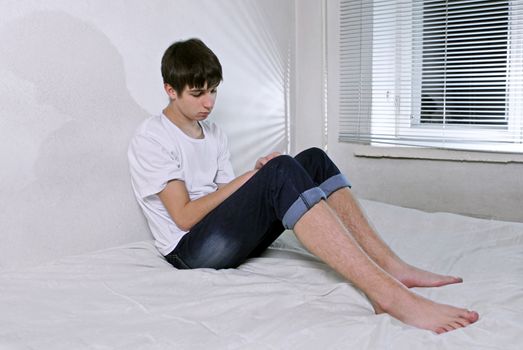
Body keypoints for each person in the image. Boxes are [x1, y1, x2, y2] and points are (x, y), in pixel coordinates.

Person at [128, 38, 479, 334]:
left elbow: (226, 198)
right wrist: (255, 179)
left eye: (214, 91)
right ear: (170, 90)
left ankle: (390, 265)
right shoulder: (153, 138)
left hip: (219, 235)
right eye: (198, 93)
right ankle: (388, 294)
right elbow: (185, 216)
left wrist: (255, 176)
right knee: (279, 171)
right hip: (189, 251)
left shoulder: (213, 132)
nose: (209, 103)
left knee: (311, 158)